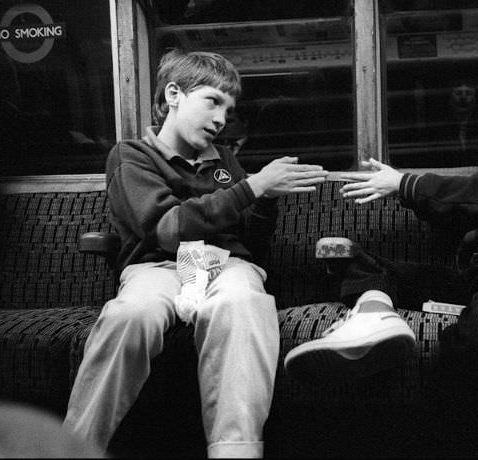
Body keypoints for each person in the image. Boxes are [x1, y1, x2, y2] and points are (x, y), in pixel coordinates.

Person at [62, 49, 328, 458]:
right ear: (173, 94)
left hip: (225, 266)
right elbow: (167, 231)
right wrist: (251, 187)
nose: (223, 118)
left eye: (229, 108)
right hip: (160, 267)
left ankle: (235, 451)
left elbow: (251, 246)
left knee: (242, 301)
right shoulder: (133, 155)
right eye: (213, 101)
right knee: (130, 316)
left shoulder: (224, 161)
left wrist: (266, 201)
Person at [283, 67, 478, 381]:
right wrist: (403, 192)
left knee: (476, 346)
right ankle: (372, 317)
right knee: (372, 267)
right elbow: (465, 212)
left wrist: (408, 184)